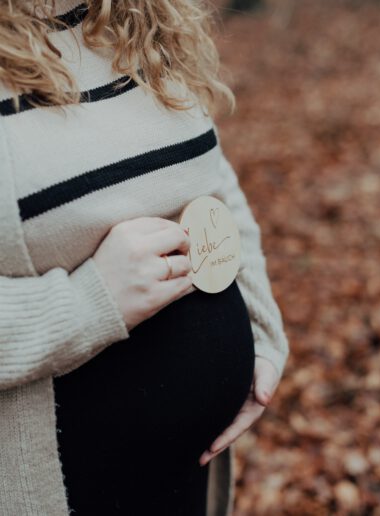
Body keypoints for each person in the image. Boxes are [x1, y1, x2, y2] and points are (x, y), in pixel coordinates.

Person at [0, 1, 289, 515]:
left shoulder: (140, 16)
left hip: (181, 480)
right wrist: (86, 304)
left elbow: (213, 180)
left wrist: (261, 326)